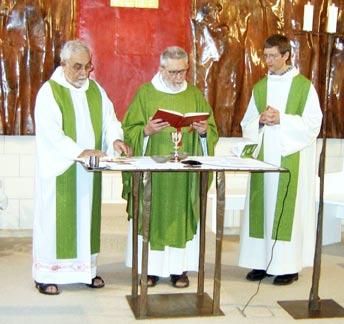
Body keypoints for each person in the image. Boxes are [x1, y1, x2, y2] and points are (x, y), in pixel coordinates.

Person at [32, 39, 132, 295]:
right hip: (61, 172)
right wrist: (80, 152)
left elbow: (111, 121)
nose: (83, 73)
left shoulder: (96, 90)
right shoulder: (50, 92)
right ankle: (46, 274)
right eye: (77, 67)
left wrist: (115, 140)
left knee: (86, 220)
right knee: (56, 222)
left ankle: (85, 271)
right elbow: (51, 135)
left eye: (88, 67)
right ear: (63, 63)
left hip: (88, 173)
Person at [122, 46, 218, 288]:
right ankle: (150, 269)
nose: (179, 77)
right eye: (173, 72)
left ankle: (179, 269)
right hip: (153, 173)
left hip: (184, 175)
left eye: (183, 72)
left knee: (181, 214)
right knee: (152, 215)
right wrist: (145, 131)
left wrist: (205, 132)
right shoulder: (145, 93)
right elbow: (129, 130)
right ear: (161, 68)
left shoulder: (195, 94)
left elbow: (212, 129)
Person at [238, 34, 322, 285]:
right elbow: (247, 121)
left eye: (273, 56)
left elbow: (312, 123)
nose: (268, 61)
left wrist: (282, 119)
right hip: (264, 157)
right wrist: (260, 120)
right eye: (265, 55)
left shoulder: (304, 86)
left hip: (290, 156)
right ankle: (261, 262)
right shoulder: (260, 87)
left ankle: (287, 266)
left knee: (287, 209)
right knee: (261, 207)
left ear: (286, 55)